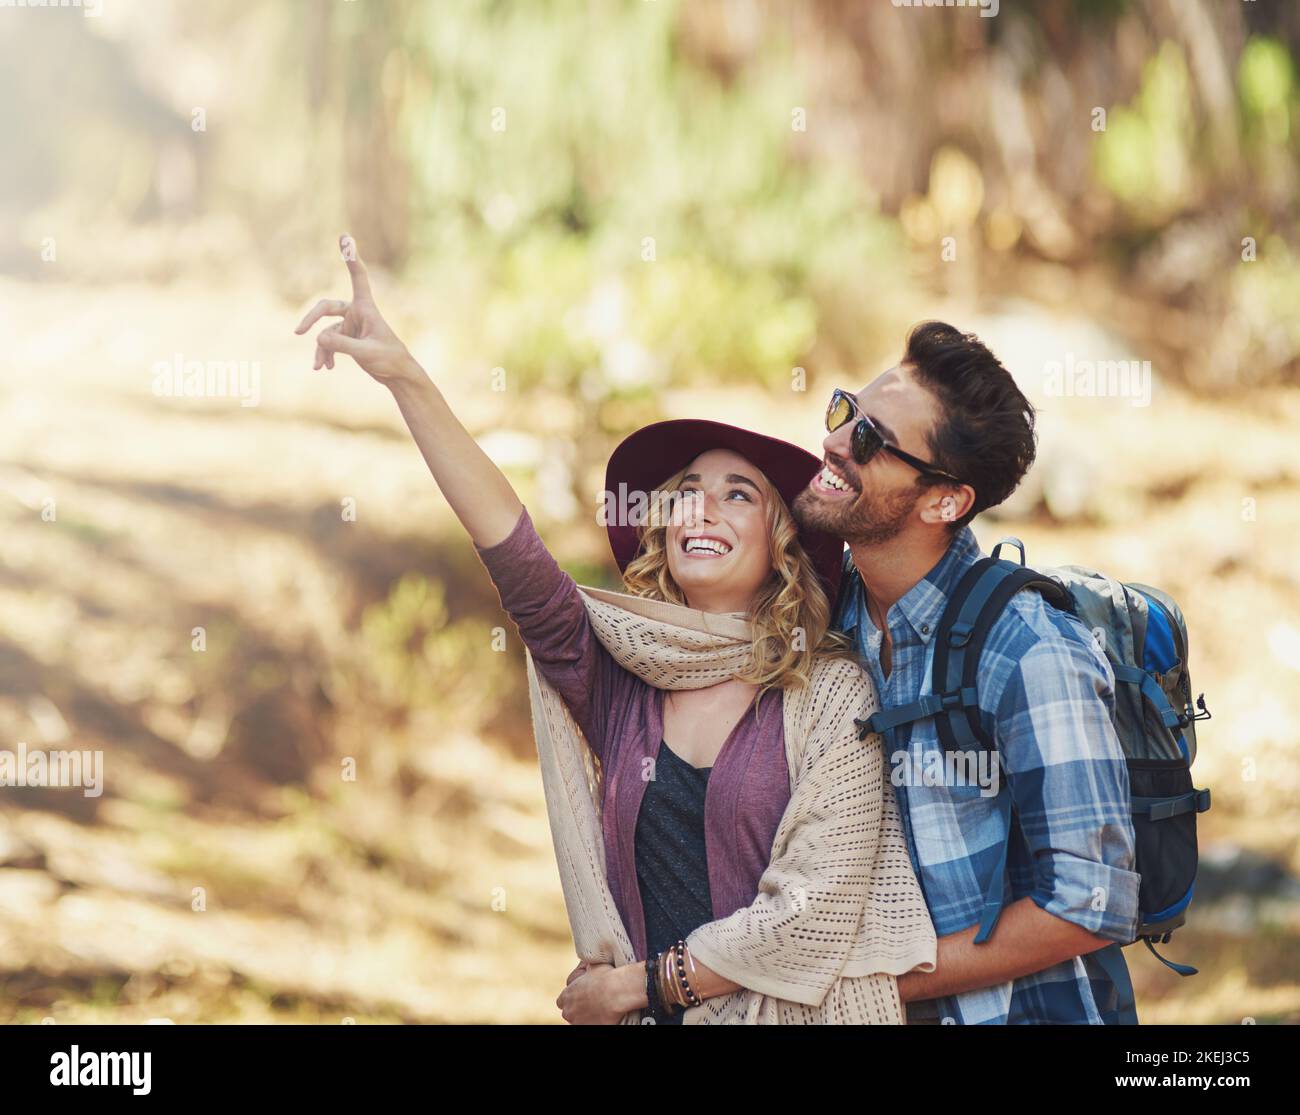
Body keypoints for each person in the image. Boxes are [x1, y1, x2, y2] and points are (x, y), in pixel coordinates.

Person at [295, 234, 936, 1024]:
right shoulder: (620, 680)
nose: (702, 507)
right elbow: (510, 544)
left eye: (739, 495)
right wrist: (404, 375)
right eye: (688, 491)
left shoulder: (831, 693)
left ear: (783, 546)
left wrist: (641, 986)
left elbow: (810, 912)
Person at [792, 320, 1141, 1024]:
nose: (832, 440)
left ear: (943, 501)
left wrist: (879, 983)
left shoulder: (1030, 648)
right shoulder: (832, 613)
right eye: (843, 409)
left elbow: (1090, 903)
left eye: (867, 438)